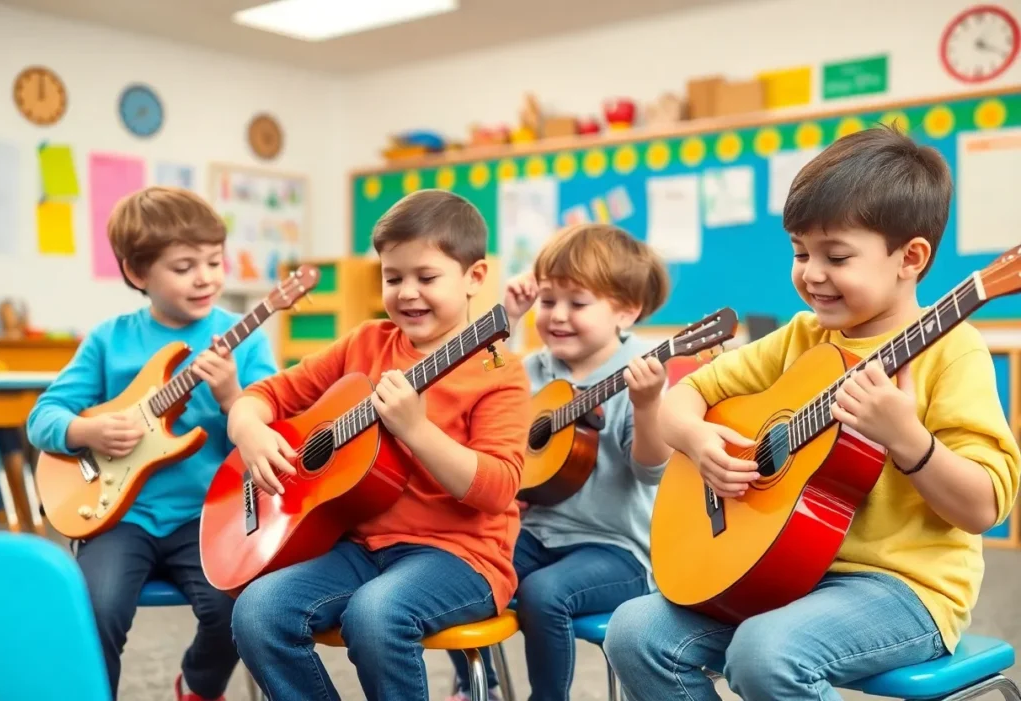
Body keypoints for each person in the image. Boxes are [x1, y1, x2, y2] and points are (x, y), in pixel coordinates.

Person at [603, 125, 1021, 700]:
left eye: (837, 255)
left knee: (764, 654)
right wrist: (700, 443)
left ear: (911, 257)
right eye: (801, 252)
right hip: (784, 570)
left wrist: (908, 439)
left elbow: (982, 506)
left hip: (904, 588)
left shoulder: (954, 351)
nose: (811, 273)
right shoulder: (801, 336)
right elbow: (685, 397)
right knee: (635, 631)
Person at [227, 189, 532, 701]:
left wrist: (416, 430)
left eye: (426, 277)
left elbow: (497, 489)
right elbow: (263, 395)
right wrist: (251, 432)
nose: (407, 293)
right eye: (393, 278)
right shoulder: (366, 343)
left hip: (463, 558)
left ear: (475, 277)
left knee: (375, 614)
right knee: (258, 611)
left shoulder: (499, 373)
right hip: (362, 547)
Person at [26, 186, 278, 701]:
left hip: (208, 517)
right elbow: (41, 417)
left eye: (214, 260)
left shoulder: (243, 338)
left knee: (236, 606)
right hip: (120, 516)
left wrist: (231, 394)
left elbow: (278, 422)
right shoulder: (108, 340)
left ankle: (199, 685)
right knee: (94, 611)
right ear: (139, 274)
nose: (206, 277)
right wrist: (85, 432)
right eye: (184, 266)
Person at [446, 223, 674, 701]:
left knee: (544, 594)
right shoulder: (531, 367)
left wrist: (648, 405)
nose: (558, 316)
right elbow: (470, 387)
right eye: (548, 301)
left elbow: (651, 470)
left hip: (616, 549)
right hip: (537, 533)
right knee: (453, 563)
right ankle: (475, 680)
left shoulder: (642, 374)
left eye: (578, 303)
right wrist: (505, 317)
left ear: (625, 311)